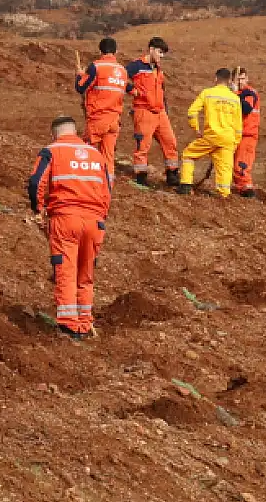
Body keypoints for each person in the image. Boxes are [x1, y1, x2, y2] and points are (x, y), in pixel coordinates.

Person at [28, 114, 113, 339]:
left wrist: (38, 210)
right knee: (85, 273)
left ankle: (68, 324)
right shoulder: (97, 155)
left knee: (65, 269)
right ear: (75, 131)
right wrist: (101, 216)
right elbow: (107, 190)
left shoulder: (52, 151)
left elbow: (36, 182)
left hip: (66, 218)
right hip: (95, 220)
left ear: (54, 133)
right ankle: (84, 322)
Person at [179, 68, 243, 198]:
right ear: (229, 81)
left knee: (188, 154)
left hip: (211, 137)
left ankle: (185, 186)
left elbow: (192, 112)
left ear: (216, 79)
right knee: (224, 168)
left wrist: (196, 129)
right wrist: (234, 143)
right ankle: (224, 195)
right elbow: (238, 126)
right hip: (227, 139)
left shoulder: (207, 93)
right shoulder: (235, 99)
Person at [126, 38, 180, 188]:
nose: (161, 56)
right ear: (151, 49)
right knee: (142, 146)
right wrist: (132, 90)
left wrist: (165, 110)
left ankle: (172, 174)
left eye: (163, 53)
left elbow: (162, 91)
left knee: (170, 142)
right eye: (160, 52)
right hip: (144, 112)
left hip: (160, 113)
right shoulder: (136, 65)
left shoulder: (158, 68)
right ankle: (141, 177)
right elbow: (120, 77)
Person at [74, 37, 129, 164]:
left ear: (100, 51)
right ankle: (108, 182)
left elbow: (81, 87)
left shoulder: (96, 67)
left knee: (86, 156)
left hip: (97, 120)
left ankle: (87, 182)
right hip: (114, 121)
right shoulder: (122, 71)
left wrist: (79, 75)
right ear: (116, 51)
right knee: (108, 158)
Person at [231, 68, 260, 198]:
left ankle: (247, 190)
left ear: (247, 79)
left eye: (242, 79)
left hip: (247, 135)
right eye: (238, 79)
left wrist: (234, 93)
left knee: (241, 165)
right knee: (232, 164)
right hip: (236, 134)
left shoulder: (250, 93)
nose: (240, 81)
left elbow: (246, 108)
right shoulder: (235, 93)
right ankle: (241, 188)